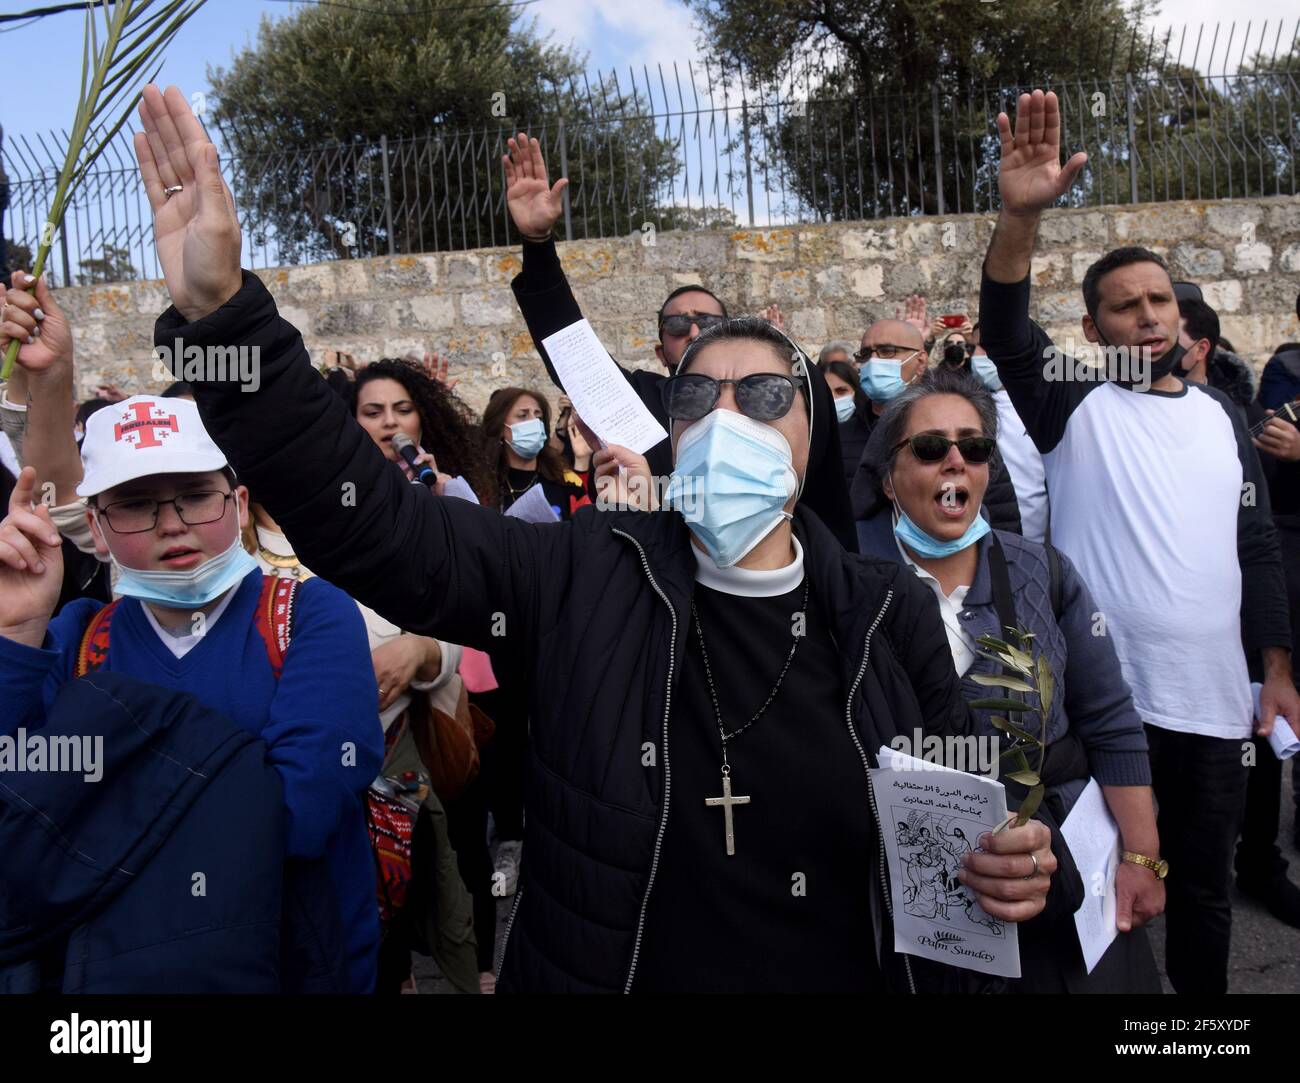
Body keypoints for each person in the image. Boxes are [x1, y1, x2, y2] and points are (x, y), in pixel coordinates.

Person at [129, 81, 1063, 993]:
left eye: (767, 394)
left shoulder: (883, 608)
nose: (729, 413)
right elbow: (378, 529)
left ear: (811, 436)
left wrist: (1015, 856)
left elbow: (965, 794)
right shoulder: (579, 573)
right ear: (674, 430)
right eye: (699, 393)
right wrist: (227, 324)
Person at [978, 88, 1299, 994]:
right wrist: (1019, 216)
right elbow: (1003, 328)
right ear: (1094, 330)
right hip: (1105, 711)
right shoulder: (1075, 402)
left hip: (1211, 710)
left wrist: (1275, 669)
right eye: (1125, 306)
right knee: (1094, 898)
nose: (1149, 316)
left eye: (1161, 299)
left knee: (1203, 899)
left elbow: (1258, 548)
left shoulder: (1225, 417)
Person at [0, 379, 384, 992]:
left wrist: (95, 822)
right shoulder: (75, 639)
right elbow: (16, 815)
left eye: (196, 496)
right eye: (135, 504)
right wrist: (17, 632)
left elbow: (301, 812)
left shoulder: (309, 615)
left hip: (297, 968)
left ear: (237, 503)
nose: (172, 524)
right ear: (96, 529)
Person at [858, 367, 1164, 991]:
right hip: (924, 887)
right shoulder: (851, 583)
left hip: (1067, 869)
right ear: (890, 478)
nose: (954, 463)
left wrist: (1141, 856)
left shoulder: (1040, 569)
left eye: (973, 448)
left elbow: (1109, 717)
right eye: (928, 448)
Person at [501, 132, 858, 552]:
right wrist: (539, 247)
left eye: (709, 322)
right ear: (660, 351)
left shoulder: (863, 595)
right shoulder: (642, 407)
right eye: (676, 323)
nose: (693, 330)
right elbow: (572, 353)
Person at [852, 315, 1023, 536]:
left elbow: (1003, 515)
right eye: (865, 354)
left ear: (920, 361)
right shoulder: (840, 434)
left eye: (887, 351)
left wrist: (1002, 562)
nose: (956, 461)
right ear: (889, 483)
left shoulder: (968, 423)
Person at [966, 332, 1049, 544]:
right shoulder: (970, 406)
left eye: (983, 346)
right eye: (972, 348)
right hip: (983, 544)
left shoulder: (1046, 408)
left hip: (1038, 548)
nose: (976, 355)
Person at [483, 386, 588, 520]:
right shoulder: (483, 482)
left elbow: (586, 526)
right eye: (522, 415)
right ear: (500, 427)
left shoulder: (564, 480)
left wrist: (582, 462)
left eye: (538, 416)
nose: (533, 421)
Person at [817, 356, 871, 490]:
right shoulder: (810, 436)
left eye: (841, 391)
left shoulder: (873, 433)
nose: (834, 398)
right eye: (827, 392)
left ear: (855, 391)